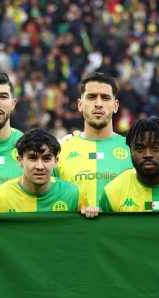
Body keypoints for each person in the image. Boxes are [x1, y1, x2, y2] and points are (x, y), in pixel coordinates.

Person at [0, 129, 98, 219]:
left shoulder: (74, 195)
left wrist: (93, 215)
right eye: (32, 158)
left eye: (46, 159)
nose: (40, 166)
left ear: (56, 161)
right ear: (19, 160)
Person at [54, 73, 133, 208]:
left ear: (115, 106)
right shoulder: (60, 151)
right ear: (80, 104)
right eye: (91, 97)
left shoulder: (132, 150)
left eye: (105, 98)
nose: (98, 104)